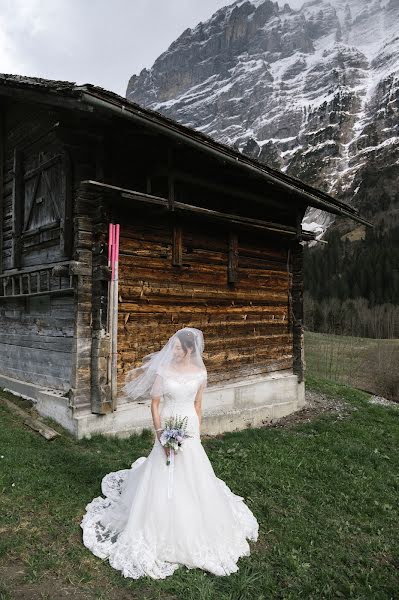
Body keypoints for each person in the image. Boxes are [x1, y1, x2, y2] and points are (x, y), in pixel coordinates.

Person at [80, 327, 259, 579]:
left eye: (177, 347)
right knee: (162, 467)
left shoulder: (200, 373)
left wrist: (196, 431)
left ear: (189, 350)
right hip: (167, 423)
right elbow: (154, 404)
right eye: (172, 346)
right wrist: (160, 432)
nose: (172, 350)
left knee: (191, 471)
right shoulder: (163, 371)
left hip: (189, 427)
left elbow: (198, 404)